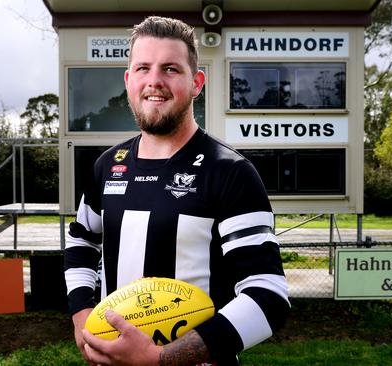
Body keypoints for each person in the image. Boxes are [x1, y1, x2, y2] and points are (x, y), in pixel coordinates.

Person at [64, 16, 290, 365]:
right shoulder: (107, 166)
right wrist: (82, 313)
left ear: (197, 82)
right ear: (128, 80)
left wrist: (161, 358)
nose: (154, 81)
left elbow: (267, 294)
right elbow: (82, 241)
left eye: (170, 69)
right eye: (142, 68)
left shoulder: (230, 172)